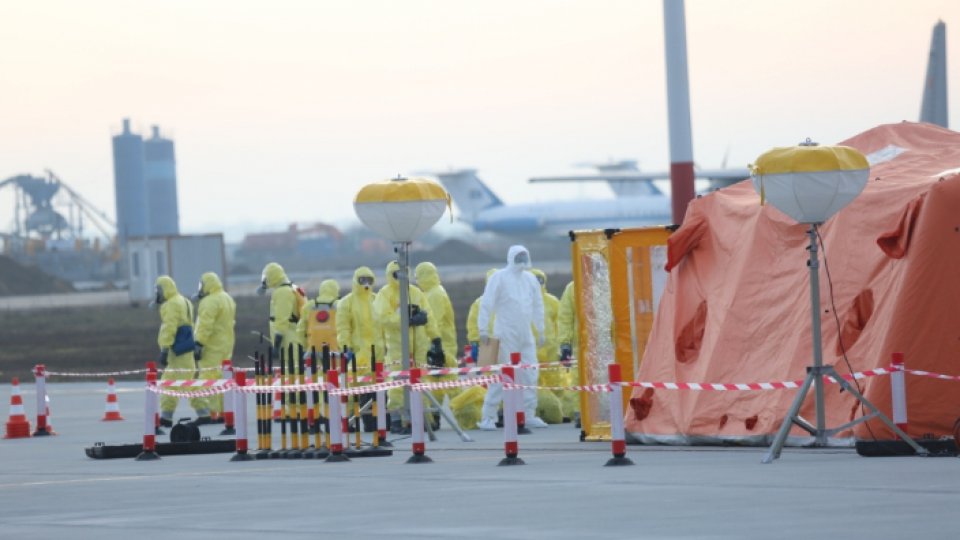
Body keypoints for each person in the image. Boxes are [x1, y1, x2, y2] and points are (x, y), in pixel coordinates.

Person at [477, 245, 547, 430]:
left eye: (525, 256)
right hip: (506, 333)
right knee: (503, 374)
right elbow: (487, 303)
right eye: (519, 256)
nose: (522, 260)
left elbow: (538, 305)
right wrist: (483, 328)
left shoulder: (530, 279)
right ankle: (488, 416)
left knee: (530, 373)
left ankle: (528, 413)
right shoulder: (498, 277)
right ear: (511, 257)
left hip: (526, 334)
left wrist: (541, 330)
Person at [374, 260, 443, 432]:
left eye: (403, 273)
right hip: (397, 344)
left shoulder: (415, 292)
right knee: (398, 381)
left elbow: (429, 315)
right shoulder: (385, 293)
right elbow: (383, 317)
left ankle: (422, 419)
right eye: (397, 274)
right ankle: (398, 420)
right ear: (391, 275)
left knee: (421, 379)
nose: (400, 277)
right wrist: (404, 319)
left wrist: (435, 338)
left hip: (418, 343)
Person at [154, 275, 210, 427]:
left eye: (158, 290)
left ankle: (166, 417)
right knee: (188, 382)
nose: (157, 293)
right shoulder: (184, 300)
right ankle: (203, 412)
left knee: (169, 382)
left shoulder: (171, 304)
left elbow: (169, 327)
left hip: (176, 352)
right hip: (186, 350)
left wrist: (165, 348)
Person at [337, 268, 383, 432]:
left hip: (379, 355)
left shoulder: (378, 300)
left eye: (369, 280)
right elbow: (343, 329)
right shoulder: (346, 302)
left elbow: (384, 326)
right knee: (353, 391)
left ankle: (378, 423)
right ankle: (349, 421)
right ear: (356, 280)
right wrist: (346, 349)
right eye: (362, 280)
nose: (366, 284)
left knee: (379, 391)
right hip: (358, 355)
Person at [449, 268, 496, 430]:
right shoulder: (480, 302)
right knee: (491, 380)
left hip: (504, 342)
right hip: (488, 344)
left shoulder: (505, 300)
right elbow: (473, 324)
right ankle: (492, 414)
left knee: (506, 380)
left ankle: (503, 413)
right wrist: (475, 342)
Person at [414, 262, 461, 407]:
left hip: (441, 344)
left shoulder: (435, 293)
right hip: (438, 343)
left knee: (450, 382)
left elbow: (434, 322)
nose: (417, 281)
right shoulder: (431, 292)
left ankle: (466, 412)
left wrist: (430, 343)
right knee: (436, 382)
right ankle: (435, 415)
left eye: (418, 277)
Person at [192, 271, 236, 422]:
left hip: (211, 346)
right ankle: (223, 413)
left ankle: (208, 413)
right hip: (226, 345)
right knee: (222, 378)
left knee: (207, 378)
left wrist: (198, 343)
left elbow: (205, 325)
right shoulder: (227, 298)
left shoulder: (209, 301)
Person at [531, 268, 564, 424]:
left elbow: (560, 324)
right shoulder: (523, 301)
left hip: (550, 347)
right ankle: (535, 410)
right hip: (532, 347)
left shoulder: (552, 301)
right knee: (531, 379)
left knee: (554, 379)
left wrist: (563, 344)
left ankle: (556, 410)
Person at [257, 262, 301, 361]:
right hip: (291, 338)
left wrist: (276, 345)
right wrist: (264, 287)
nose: (265, 280)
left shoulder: (282, 292)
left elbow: (282, 320)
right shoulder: (289, 288)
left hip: (288, 340)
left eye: (266, 277)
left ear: (273, 277)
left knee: (292, 372)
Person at [557, 280, 581, 427]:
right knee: (580, 379)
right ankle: (581, 414)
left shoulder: (610, 282)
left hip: (609, 344)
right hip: (583, 346)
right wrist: (565, 344)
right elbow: (565, 318)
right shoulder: (573, 288)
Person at [297, 279, 340, 354]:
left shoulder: (309, 306)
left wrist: (303, 348)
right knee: (335, 366)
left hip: (313, 350)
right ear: (336, 290)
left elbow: (301, 330)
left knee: (314, 366)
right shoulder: (339, 305)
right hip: (335, 350)